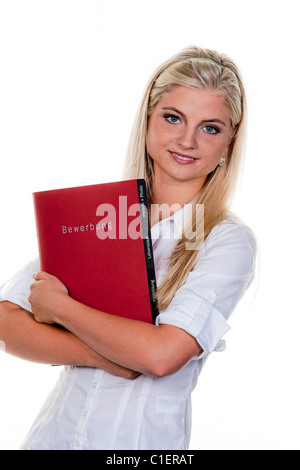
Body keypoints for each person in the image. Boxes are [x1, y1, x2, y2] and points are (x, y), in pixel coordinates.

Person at [0, 46, 256, 450]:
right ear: (148, 119)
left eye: (210, 127)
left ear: (229, 141)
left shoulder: (227, 240)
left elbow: (162, 356)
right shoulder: (102, 214)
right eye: (173, 118)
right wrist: (107, 355)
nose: (187, 140)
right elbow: (7, 321)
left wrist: (62, 309)